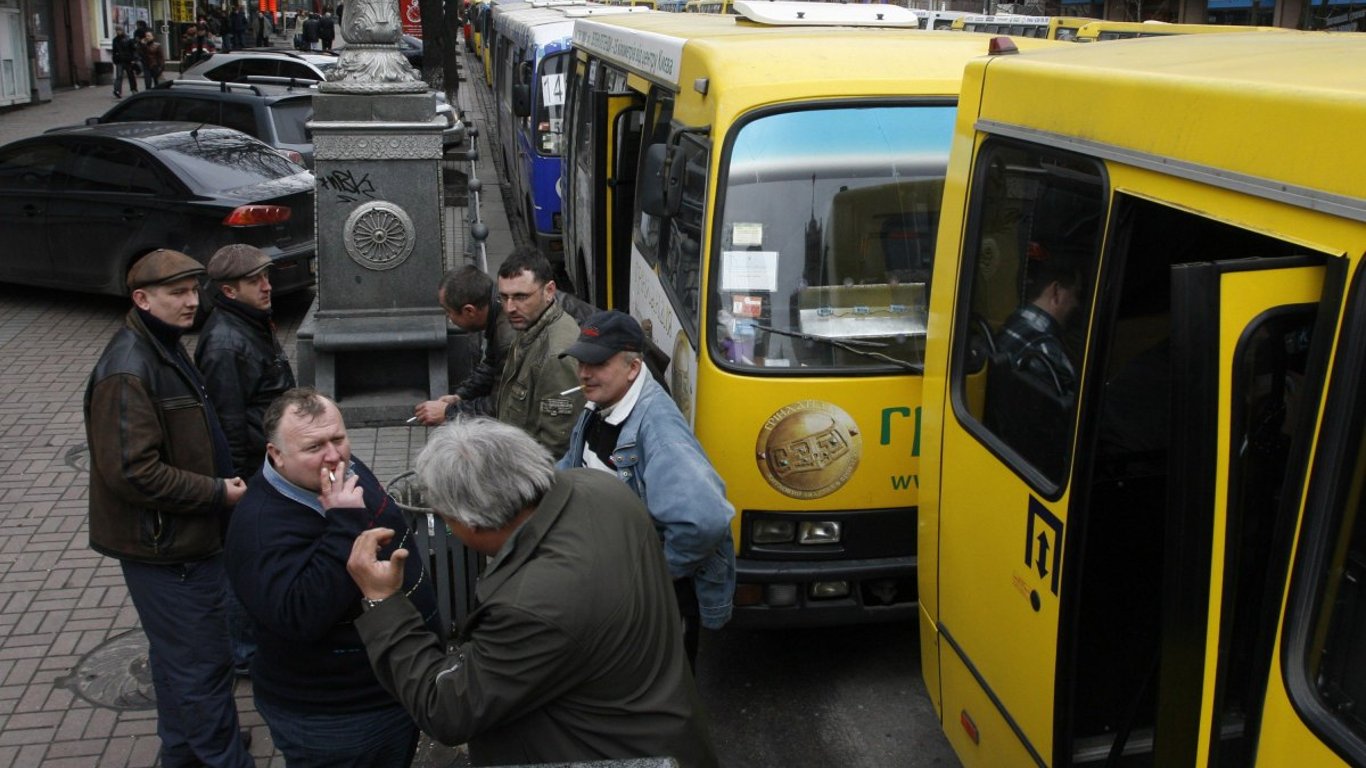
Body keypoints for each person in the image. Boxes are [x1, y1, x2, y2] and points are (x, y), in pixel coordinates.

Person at [346, 417, 720, 768]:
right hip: (662, 728)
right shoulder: (604, 490)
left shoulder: (531, 607)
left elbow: (445, 708)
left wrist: (384, 603)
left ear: (471, 522)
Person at [84, 249, 253, 768]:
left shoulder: (164, 346)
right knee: (201, 666)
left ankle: (183, 751)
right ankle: (221, 758)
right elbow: (133, 472)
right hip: (168, 549)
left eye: (192, 290)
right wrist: (216, 493)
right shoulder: (128, 370)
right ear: (142, 299)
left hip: (182, 541)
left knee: (180, 658)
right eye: (176, 293)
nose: (190, 301)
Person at [225, 388, 440, 768]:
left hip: (396, 688)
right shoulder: (258, 527)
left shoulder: (342, 469)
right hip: (338, 718)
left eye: (338, 438)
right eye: (313, 447)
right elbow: (299, 615)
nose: (334, 455)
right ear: (276, 455)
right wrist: (344, 522)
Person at [556, 310, 735, 668]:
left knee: (658, 696)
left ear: (633, 368)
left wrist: (653, 574)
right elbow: (573, 464)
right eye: (581, 362)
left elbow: (705, 519)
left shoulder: (659, 432)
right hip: (616, 583)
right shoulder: (602, 403)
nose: (585, 373)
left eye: (597, 363)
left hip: (655, 601)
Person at [194, 245, 296, 479]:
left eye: (266, 276)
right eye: (254, 281)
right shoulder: (224, 345)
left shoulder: (251, 319)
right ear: (230, 291)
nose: (267, 286)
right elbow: (228, 422)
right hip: (257, 468)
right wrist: (238, 482)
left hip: (273, 455)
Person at [494, 246, 584, 455]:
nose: (509, 308)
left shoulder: (556, 356)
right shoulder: (530, 323)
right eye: (504, 297)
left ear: (549, 291)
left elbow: (556, 447)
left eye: (520, 297)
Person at [413, 265, 515, 425]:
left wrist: (450, 413)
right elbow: (491, 364)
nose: (449, 318)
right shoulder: (496, 308)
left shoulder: (508, 337)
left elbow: (504, 405)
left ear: (469, 311)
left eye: (449, 312)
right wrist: (461, 396)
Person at [995, 244, 1084, 396]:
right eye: (1076, 294)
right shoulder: (1045, 350)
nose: (1077, 304)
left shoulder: (1011, 323)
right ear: (1056, 292)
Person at [110, 27, 138, 98]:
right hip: (119, 60)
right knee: (119, 76)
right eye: (117, 30)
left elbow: (133, 49)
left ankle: (134, 89)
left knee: (131, 76)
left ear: (122, 31)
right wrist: (114, 59)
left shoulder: (128, 39)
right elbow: (114, 51)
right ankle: (117, 91)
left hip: (128, 60)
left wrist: (133, 59)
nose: (118, 32)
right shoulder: (115, 40)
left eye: (119, 30)